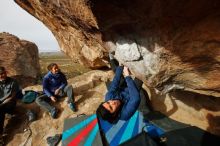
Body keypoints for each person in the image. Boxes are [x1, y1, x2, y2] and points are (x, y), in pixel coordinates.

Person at [96, 55, 143, 123]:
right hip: (132, 94)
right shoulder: (125, 114)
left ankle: (112, 59)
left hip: (122, 89)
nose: (112, 102)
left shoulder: (109, 97)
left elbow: (115, 82)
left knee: (118, 72)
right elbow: (135, 98)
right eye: (111, 108)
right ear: (114, 114)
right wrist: (127, 76)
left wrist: (121, 66)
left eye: (108, 102)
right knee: (140, 76)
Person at [0, 67, 23, 145]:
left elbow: (12, 97)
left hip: (9, 103)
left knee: (1, 111)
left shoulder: (13, 82)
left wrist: (2, 104)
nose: (2, 75)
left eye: (3, 73)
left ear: (6, 73)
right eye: (0, 74)